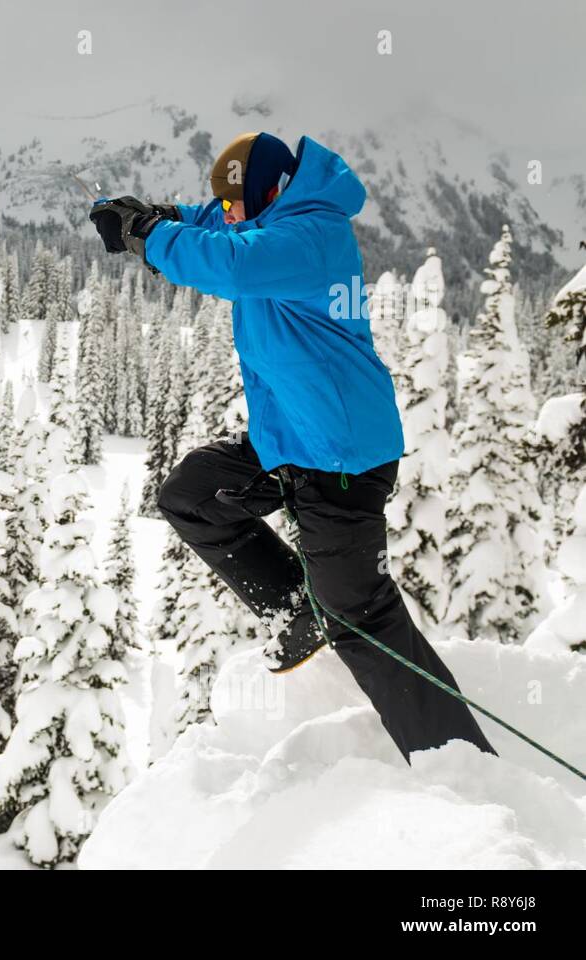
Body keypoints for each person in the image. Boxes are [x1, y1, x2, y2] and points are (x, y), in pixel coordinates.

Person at [88, 131, 495, 763]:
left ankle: (459, 762)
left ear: (270, 191)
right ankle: (298, 611)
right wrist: (165, 217)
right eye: (224, 206)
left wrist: (152, 237)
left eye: (235, 203)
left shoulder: (310, 238)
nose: (227, 215)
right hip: (291, 442)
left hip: (340, 457)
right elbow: (220, 229)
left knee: (362, 619)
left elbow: (234, 263)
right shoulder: (270, 220)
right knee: (193, 496)